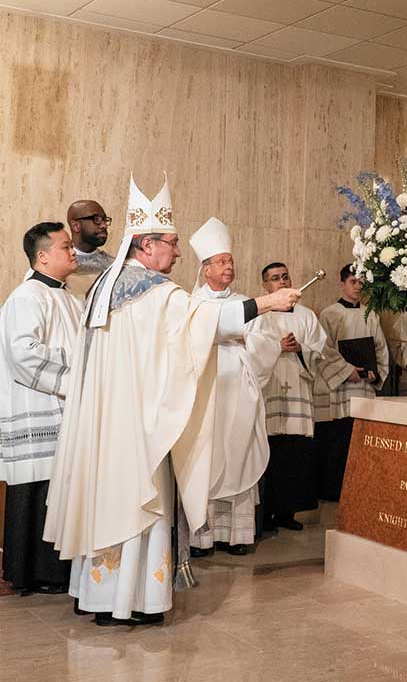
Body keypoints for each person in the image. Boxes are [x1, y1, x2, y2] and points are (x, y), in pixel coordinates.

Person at [43, 176, 299, 626]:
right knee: (143, 503)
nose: (179, 253)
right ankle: (134, 601)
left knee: (110, 500)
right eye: (173, 243)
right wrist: (269, 301)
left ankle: (100, 596)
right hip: (142, 426)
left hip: (107, 426)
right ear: (146, 245)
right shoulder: (157, 293)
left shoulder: (105, 286)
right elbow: (209, 322)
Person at [188, 218, 280, 557]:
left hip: (239, 389)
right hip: (205, 393)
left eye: (231, 260)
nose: (229, 266)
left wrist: (241, 341)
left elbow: (267, 343)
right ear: (206, 268)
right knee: (204, 459)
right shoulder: (191, 303)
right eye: (222, 261)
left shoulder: (250, 303)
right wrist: (231, 337)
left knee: (238, 454)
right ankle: (201, 537)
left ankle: (237, 535)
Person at [0, 223, 82, 594]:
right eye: (66, 246)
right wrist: (76, 368)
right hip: (40, 405)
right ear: (43, 255)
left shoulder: (72, 299)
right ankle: (35, 573)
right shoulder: (25, 297)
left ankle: (57, 570)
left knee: (57, 489)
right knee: (37, 490)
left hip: (66, 409)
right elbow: (22, 353)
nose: (73, 252)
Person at [248, 262, 327, 531]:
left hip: (297, 390)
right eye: (274, 279)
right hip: (270, 390)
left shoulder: (306, 315)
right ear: (265, 286)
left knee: (295, 453)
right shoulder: (261, 315)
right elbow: (249, 349)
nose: (281, 282)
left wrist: (300, 348)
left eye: (284, 277)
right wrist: (276, 346)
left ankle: (287, 513)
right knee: (271, 452)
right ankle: (267, 513)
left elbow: (321, 350)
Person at [315, 264, 389, 502]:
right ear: (342, 284)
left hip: (365, 385)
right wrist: (347, 371)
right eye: (353, 282)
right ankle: (334, 490)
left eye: (361, 283)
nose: (358, 287)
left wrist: (375, 372)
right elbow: (324, 349)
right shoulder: (330, 314)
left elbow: (380, 348)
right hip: (342, 387)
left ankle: (360, 488)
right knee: (340, 438)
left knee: (362, 437)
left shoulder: (371, 314)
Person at [65, 200, 114, 299]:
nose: (104, 225)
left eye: (105, 220)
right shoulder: (56, 265)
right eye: (97, 219)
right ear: (76, 226)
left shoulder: (113, 265)